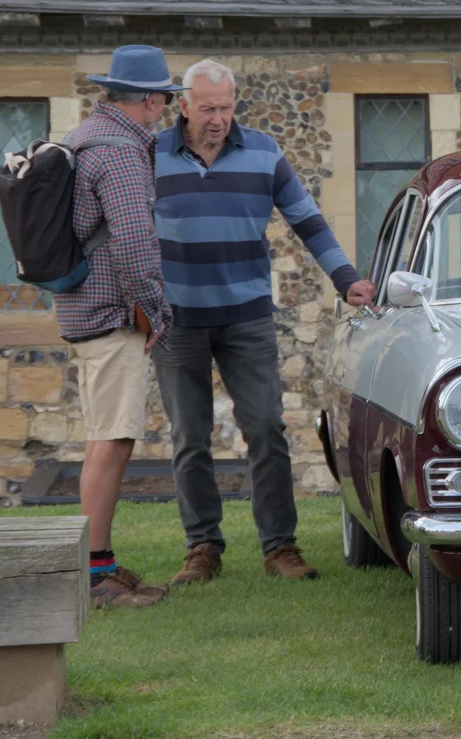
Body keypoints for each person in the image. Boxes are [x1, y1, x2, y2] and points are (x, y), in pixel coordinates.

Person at [154, 59, 376, 585]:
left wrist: (346, 280)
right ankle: (202, 547)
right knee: (190, 437)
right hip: (176, 321)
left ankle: (280, 547)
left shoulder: (263, 153)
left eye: (226, 107)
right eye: (207, 108)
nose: (218, 118)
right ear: (182, 106)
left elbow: (308, 221)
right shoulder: (150, 155)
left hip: (246, 318)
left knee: (266, 430)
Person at [56, 44, 181, 608]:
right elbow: (133, 244)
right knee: (113, 440)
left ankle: (98, 563)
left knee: (106, 437)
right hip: (111, 315)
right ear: (151, 99)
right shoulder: (122, 153)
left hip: (86, 308)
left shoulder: (86, 139)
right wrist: (156, 310)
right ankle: (93, 576)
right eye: (165, 100)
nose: (165, 111)